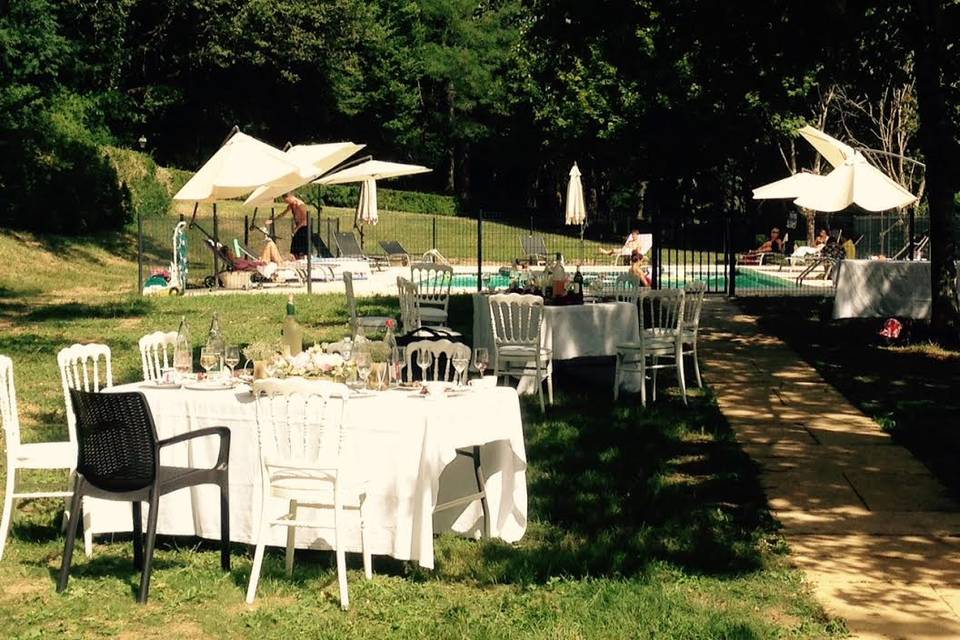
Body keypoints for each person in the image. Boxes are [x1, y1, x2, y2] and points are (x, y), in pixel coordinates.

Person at [267, 192, 309, 258]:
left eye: (286, 200)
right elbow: (283, 213)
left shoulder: (300, 205)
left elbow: (305, 219)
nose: (286, 202)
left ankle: (304, 260)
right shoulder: (291, 204)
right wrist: (273, 220)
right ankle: (297, 260)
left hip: (304, 227)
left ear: (289, 197)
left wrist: (296, 229)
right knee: (294, 249)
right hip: (298, 227)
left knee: (302, 249)